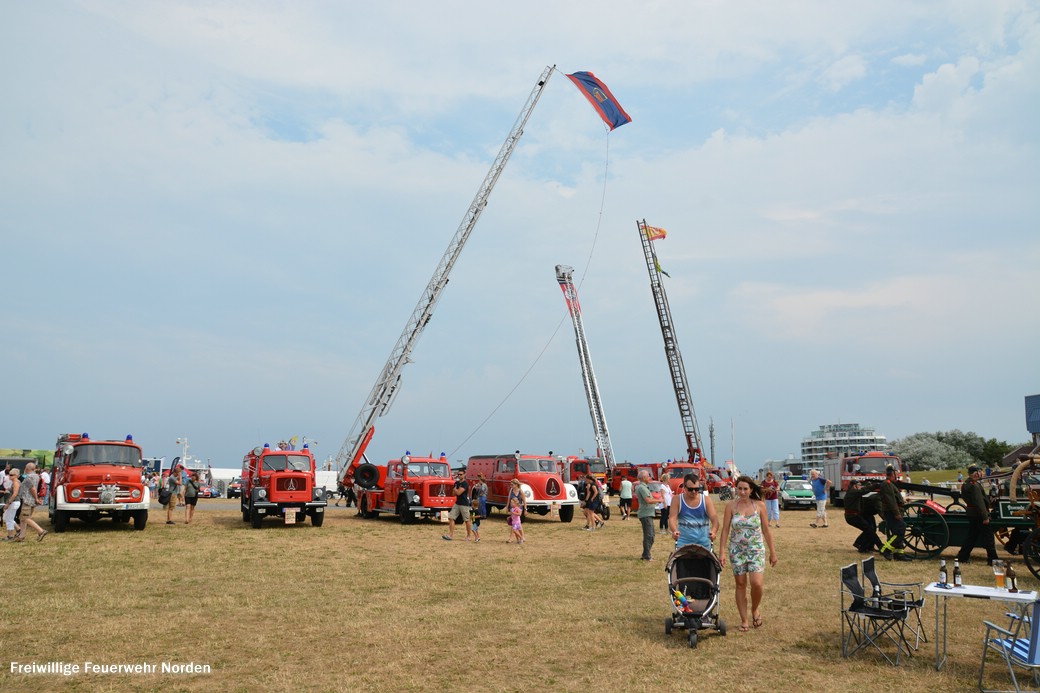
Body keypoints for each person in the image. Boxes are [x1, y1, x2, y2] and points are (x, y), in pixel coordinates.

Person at [719, 476, 778, 632]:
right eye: (740, 488)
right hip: (737, 550)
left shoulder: (759, 506)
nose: (742, 492)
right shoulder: (731, 506)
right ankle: (744, 619)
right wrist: (722, 552)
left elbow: (766, 530)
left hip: (756, 549)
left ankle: (755, 609)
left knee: (757, 583)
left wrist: (773, 552)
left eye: (745, 489)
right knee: (740, 584)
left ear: (751, 489)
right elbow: (725, 530)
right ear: (736, 489)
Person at [957, 465, 998, 565]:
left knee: (971, 537)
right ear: (976, 473)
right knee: (988, 538)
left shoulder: (967, 483)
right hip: (979, 514)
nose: (981, 474)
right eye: (980, 472)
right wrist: (985, 516)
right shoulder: (974, 485)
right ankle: (993, 560)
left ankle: (962, 557)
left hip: (972, 514)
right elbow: (979, 502)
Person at [669, 472, 718, 551]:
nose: (694, 492)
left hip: (703, 544)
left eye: (697, 489)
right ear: (684, 487)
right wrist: (674, 531)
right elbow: (672, 518)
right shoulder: (677, 499)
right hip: (684, 544)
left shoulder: (706, 500)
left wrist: (713, 531)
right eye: (690, 489)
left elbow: (714, 519)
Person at [879, 466, 911, 561]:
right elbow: (891, 500)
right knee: (900, 529)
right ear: (892, 475)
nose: (896, 477)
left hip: (894, 511)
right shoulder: (887, 484)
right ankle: (886, 549)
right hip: (891, 512)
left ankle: (899, 554)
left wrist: (903, 501)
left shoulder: (890, 484)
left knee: (898, 531)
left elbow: (895, 498)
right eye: (895, 475)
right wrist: (896, 513)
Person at [843, 479, 881, 553]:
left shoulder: (853, 492)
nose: (860, 487)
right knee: (869, 530)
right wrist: (876, 485)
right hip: (852, 516)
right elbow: (864, 490)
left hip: (856, 515)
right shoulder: (852, 492)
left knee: (870, 529)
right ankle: (866, 546)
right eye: (859, 485)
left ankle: (867, 546)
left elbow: (864, 490)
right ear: (854, 486)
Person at [16, 463, 47, 541]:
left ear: (27, 468)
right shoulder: (36, 476)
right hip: (30, 500)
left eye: (26, 467)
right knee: (22, 518)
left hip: (28, 500)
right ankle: (21, 536)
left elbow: (32, 488)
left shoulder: (29, 477)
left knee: (26, 518)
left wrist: (36, 498)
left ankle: (41, 531)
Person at [442, 470, 471, 541]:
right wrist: (455, 490)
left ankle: (468, 536)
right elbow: (453, 494)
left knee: (466, 520)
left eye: (461, 474)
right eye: (458, 474)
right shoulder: (457, 483)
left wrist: (455, 490)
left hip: (464, 504)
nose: (459, 476)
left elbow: (458, 493)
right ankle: (450, 535)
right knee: (451, 517)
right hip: (457, 503)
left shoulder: (465, 484)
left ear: (464, 475)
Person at [635, 469, 657, 560]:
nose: (650, 477)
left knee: (651, 535)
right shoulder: (642, 488)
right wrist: (660, 500)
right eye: (648, 476)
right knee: (649, 535)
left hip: (648, 514)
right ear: (644, 478)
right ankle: (647, 556)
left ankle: (645, 554)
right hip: (645, 514)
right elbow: (648, 500)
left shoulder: (644, 487)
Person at [3, 468, 23, 541]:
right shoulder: (14, 482)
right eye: (9, 474)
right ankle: (18, 529)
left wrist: (8, 503)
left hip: (14, 502)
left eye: (11, 475)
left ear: (16, 475)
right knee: (6, 518)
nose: (9, 476)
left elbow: (15, 494)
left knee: (9, 519)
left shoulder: (16, 483)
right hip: (14, 502)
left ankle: (10, 536)